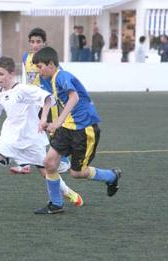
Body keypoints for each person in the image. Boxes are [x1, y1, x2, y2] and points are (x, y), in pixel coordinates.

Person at [0, 56, 83, 209]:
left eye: (1, 74)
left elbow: (48, 98)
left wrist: (43, 118)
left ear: (11, 73)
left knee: (46, 171)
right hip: (9, 137)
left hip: (31, 139)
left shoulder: (24, 89)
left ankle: (68, 192)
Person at [32, 46, 122, 214]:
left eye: (40, 66)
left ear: (51, 64)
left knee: (77, 173)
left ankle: (111, 176)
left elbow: (74, 97)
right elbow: (48, 100)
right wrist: (44, 119)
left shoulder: (62, 76)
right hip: (67, 128)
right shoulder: (47, 79)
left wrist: (58, 121)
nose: (39, 70)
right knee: (49, 163)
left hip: (84, 128)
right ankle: (56, 204)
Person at [15, 27, 71, 175]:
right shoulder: (25, 56)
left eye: (38, 42)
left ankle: (64, 160)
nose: (35, 45)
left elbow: (60, 74)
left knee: (53, 130)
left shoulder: (48, 59)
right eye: (32, 42)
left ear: (45, 43)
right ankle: (24, 164)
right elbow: (28, 77)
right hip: (32, 101)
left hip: (48, 100)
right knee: (26, 129)